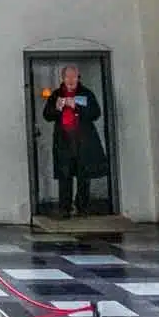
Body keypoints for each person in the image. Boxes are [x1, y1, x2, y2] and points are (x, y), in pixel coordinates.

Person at [43, 65, 108, 217]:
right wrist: (57, 108)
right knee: (64, 176)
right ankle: (64, 208)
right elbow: (47, 115)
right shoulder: (56, 95)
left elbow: (95, 113)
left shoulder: (86, 93)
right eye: (68, 77)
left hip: (83, 142)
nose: (71, 80)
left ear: (78, 78)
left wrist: (77, 107)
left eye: (74, 77)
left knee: (83, 175)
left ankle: (83, 208)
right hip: (64, 142)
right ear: (63, 78)